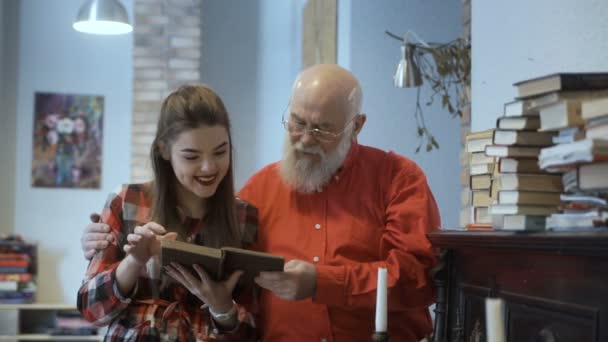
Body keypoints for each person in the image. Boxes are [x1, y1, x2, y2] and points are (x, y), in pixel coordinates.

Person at [82, 65, 440, 342]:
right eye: (296, 123)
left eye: (322, 130)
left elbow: (420, 277)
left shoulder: (397, 178)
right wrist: (106, 243)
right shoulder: (256, 193)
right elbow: (91, 303)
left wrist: (322, 282)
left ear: (356, 125)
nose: (303, 139)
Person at [77, 85, 258, 341]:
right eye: (191, 156)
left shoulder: (243, 217)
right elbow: (91, 311)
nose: (209, 167)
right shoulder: (128, 200)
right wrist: (134, 261)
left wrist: (223, 309)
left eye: (220, 152)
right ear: (164, 150)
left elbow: (252, 330)